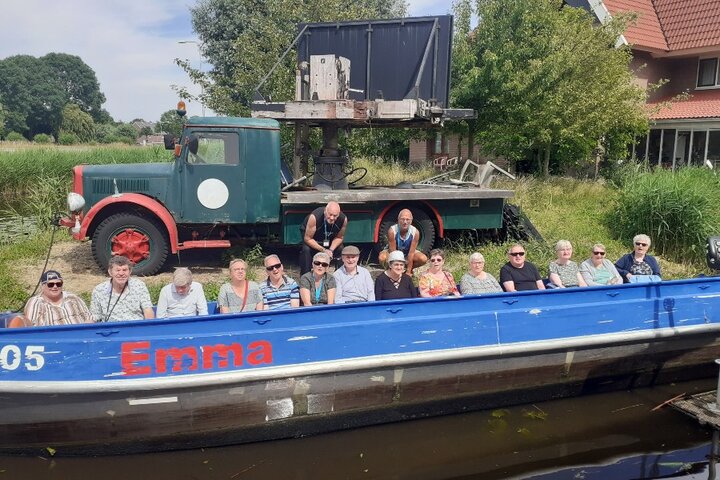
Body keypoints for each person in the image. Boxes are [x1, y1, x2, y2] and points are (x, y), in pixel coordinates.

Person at [16, 270, 93, 327]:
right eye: (51, 284)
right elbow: (30, 326)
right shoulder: (36, 302)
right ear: (42, 286)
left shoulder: (73, 298)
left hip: (80, 337)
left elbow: (89, 318)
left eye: (58, 284)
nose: (55, 286)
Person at [90, 255, 155, 322]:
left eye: (124, 270)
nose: (121, 273)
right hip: (111, 330)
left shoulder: (139, 286)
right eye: (117, 270)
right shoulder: (99, 290)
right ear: (110, 272)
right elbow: (95, 316)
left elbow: (148, 311)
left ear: (130, 272)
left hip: (135, 329)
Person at [299, 201, 348, 274]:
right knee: (306, 250)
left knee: (341, 249)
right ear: (325, 211)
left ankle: (340, 275)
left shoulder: (343, 219)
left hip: (329, 239)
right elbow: (308, 238)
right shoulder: (315, 217)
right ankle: (305, 276)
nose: (332, 218)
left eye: (335, 216)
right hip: (313, 239)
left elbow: (339, 237)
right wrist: (323, 250)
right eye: (330, 214)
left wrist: (331, 250)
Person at [378, 209, 427, 276]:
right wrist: (395, 271)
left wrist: (408, 272)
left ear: (411, 221)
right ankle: (390, 271)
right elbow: (393, 253)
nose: (405, 222)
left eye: (407, 219)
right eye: (402, 219)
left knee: (423, 259)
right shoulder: (392, 231)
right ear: (398, 220)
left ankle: (408, 270)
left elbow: (411, 253)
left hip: (408, 253)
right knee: (382, 257)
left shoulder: (415, 232)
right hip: (393, 251)